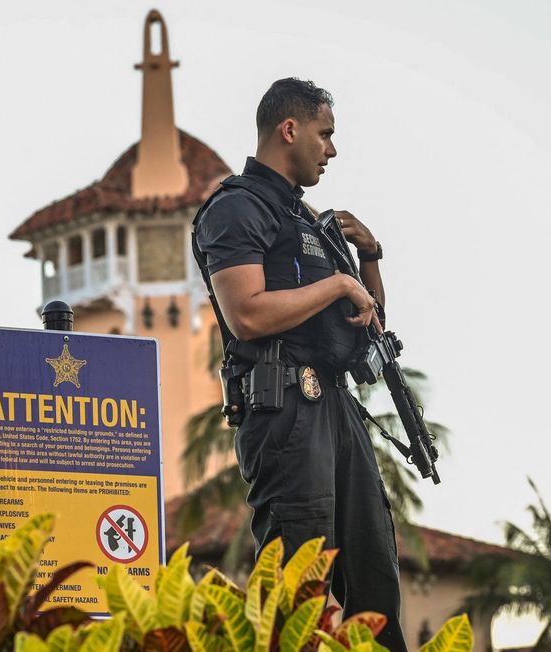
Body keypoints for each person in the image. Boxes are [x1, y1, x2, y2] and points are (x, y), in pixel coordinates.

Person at [192, 78, 406, 651]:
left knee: (376, 580)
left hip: (336, 405)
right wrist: (337, 283)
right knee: (299, 584)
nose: (331, 149)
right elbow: (247, 315)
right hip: (286, 407)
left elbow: (369, 323)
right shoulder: (237, 207)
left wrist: (368, 257)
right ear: (290, 130)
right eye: (324, 133)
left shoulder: (310, 221)